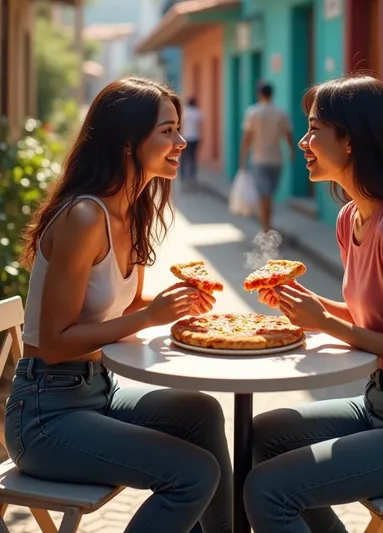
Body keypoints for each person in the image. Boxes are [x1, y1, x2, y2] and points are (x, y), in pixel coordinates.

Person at [244, 74, 383, 533]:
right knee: (261, 436)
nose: (304, 142)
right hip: (380, 404)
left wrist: (326, 323)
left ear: (351, 141)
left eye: (315, 130)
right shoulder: (353, 217)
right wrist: (313, 306)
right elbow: (382, 320)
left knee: (268, 491)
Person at [5, 77, 232, 533]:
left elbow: (121, 307)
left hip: (96, 393)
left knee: (203, 412)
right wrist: (151, 316)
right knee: (193, 474)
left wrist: (177, 305)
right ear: (128, 142)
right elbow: (53, 343)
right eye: (167, 131)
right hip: (46, 415)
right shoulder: (85, 217)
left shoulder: (132, 208)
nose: (181, 142)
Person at [240, 82, 294, 233]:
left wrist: (243, 157)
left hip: (259, 159)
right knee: (269, 193)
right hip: (276, 159)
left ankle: (265, 227)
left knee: (264, 194)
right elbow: (288, 134)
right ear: (272, 94)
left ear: (259, 94)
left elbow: (247, 137)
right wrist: (292, 151)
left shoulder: (253, 112)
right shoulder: (281, 113)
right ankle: (267, 225)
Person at [181, 96, 203, 189]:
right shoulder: (198, 113)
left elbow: (180, 125)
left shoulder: (184, 113)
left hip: (185, 138)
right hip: (195, 138)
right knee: (193, 157)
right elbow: (200, 126)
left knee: (184, 158)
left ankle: (183, 176)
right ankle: (192, 176)